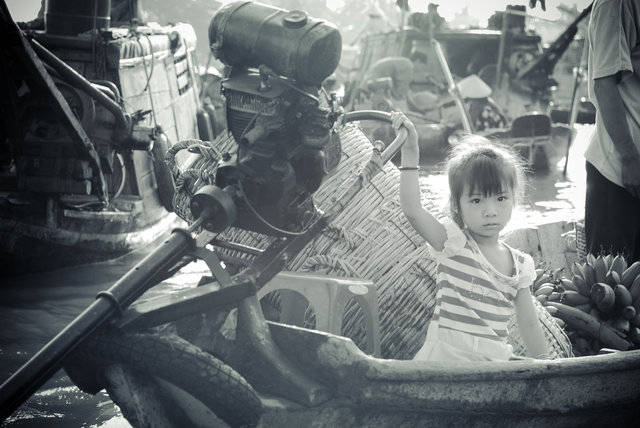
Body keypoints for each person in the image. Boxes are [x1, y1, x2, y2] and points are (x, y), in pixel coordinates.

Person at [391, 111, 549, 361]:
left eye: (501, 198)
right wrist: (411, 152)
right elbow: (412, 209)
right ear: (457, 206)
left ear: (513, 199)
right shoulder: (452, 242)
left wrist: (548, 368)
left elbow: (529, 325)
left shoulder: (520, 266)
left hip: (492, 366)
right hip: (445, 363)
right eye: (476, 200)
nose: (490, 211)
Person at [584, 0, 640, 263]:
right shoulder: (615, 3)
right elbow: (604, 85)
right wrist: (630, 159)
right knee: (611, 286)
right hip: (622, 171)